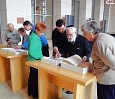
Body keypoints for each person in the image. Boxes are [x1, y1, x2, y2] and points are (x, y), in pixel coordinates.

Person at [81, 20, 115, 99]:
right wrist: (92, 65)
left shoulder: (100, 43)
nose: (84, 36)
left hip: (107, 80)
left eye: (85, 34)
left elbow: (113, 63)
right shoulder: (104, 36)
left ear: (91, 33)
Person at [28, 22, 47, 98]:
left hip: (33, 61)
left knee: (32, 76)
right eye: (41, 32)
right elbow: (32, 52)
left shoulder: (34, 36)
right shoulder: (34, 39)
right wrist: (40, 57)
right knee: (35, 78)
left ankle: (31, 92)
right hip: (34, 61)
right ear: (36, 30)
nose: (42, 34)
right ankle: (35, 94)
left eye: (43, 32)